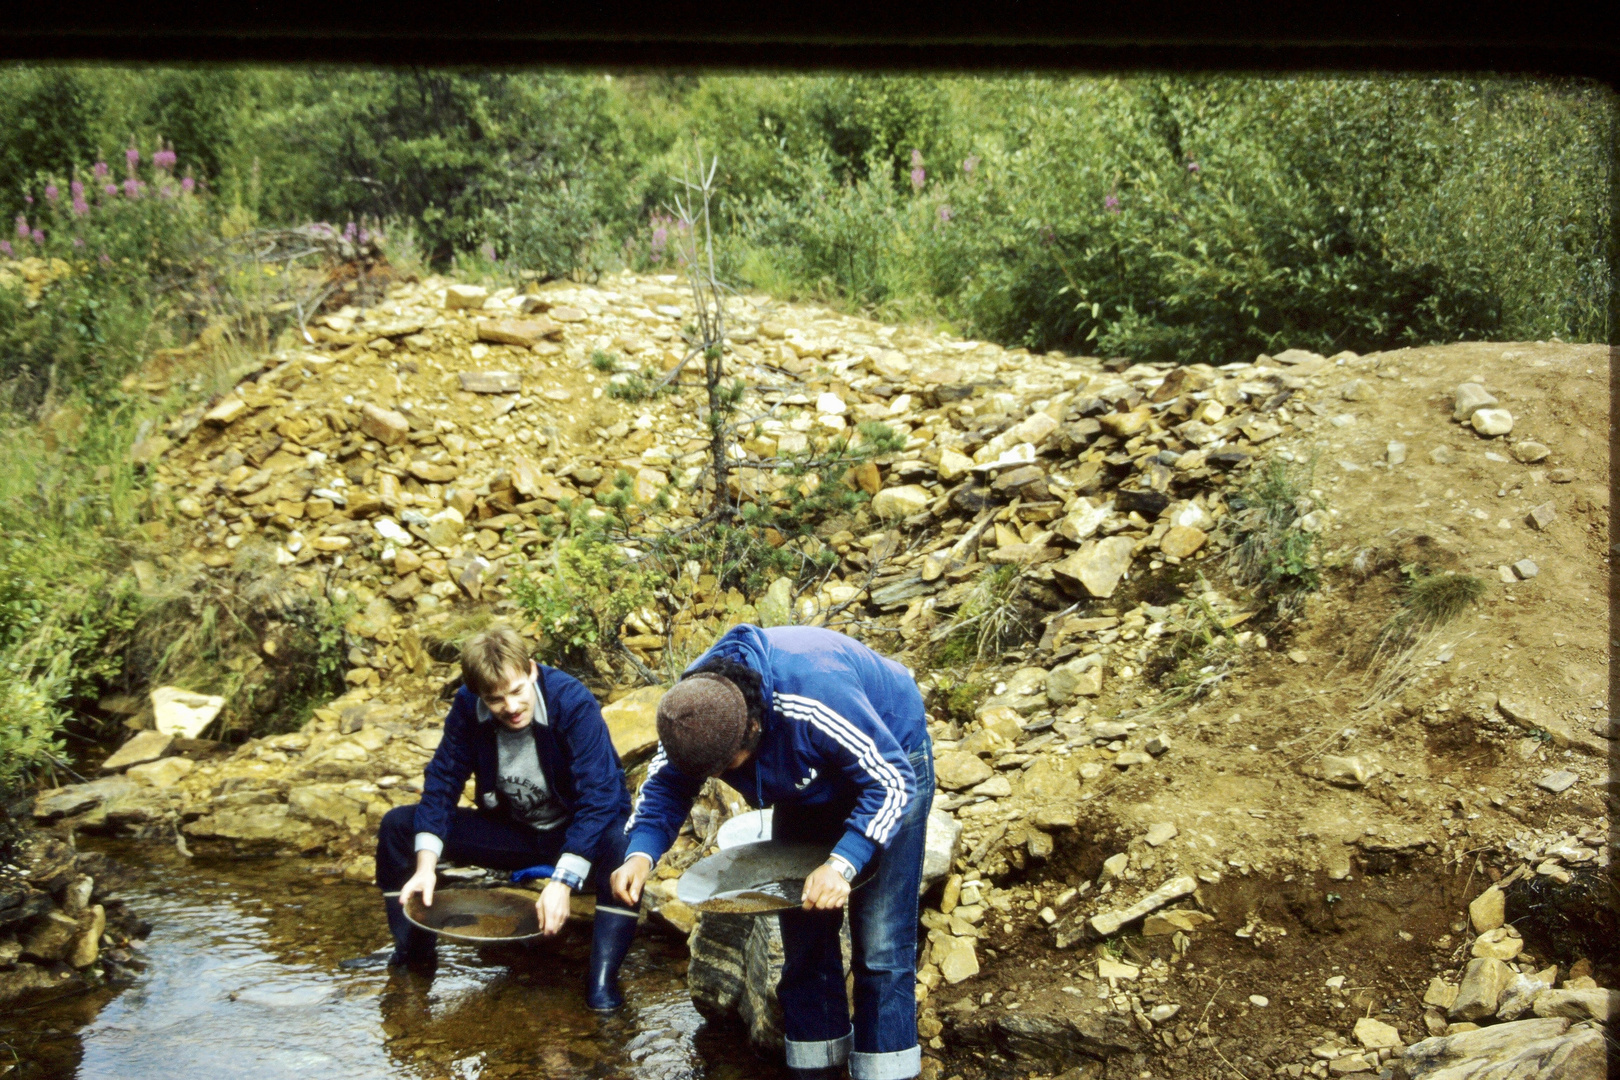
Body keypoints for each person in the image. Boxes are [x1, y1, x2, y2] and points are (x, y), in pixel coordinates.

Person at [610, 624, 933, 1080]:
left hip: (892, 756)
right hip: (806, 783)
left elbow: (891, 782)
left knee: (880, 946)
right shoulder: (693, 714)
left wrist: (841, 864)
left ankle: (887, 1072)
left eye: (728, 768)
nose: (723, 778)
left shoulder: (813, 697)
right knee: (805, 938)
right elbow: (666, 785)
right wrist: (639, 854)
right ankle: (815, 1070)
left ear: (755, 727)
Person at [352, 623, 641, 1011]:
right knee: (397, 827)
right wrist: (425, 866)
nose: (511, 707)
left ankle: (601, 984)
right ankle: (413, 957)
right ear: (479, 694)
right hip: (514, 832)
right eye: (495, 699)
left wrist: (563, 881)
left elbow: (602, 798)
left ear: (532, 671)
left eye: (518, 691)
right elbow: (442, 781)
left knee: (621, 846)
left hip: (575, 836)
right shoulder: (466, 707)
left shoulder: (572, 702)